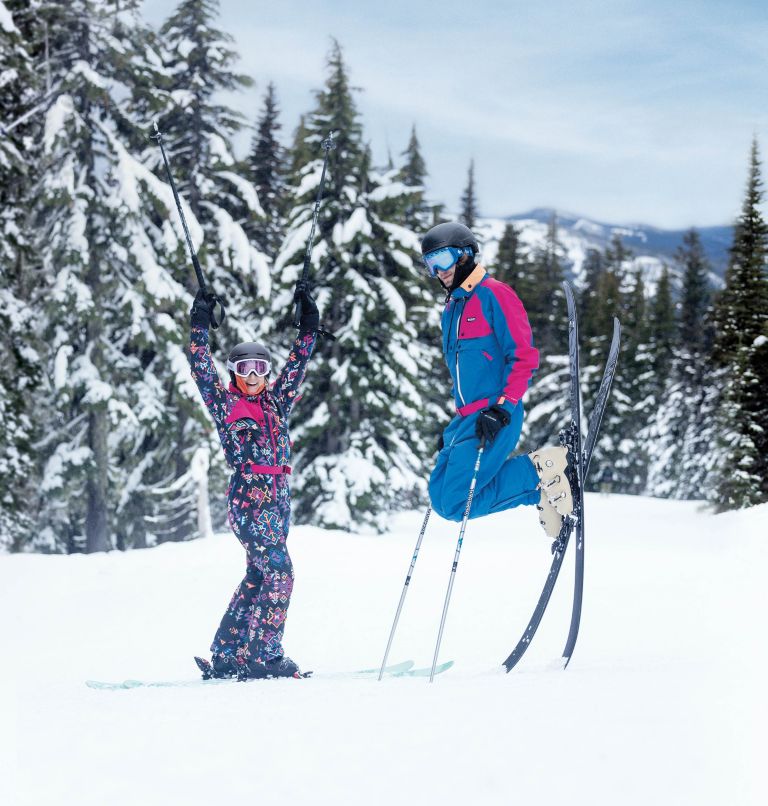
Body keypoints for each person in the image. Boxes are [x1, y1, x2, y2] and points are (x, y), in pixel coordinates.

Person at [188, 282, 319, 680]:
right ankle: (265, 653)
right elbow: (200, 367)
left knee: (260, 574)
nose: (252, 376)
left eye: (260, 368)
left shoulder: (277, 402)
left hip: (279, 501)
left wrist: (309, 327)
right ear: (234, 372)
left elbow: (297, 366)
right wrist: (199, 325)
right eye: (244, 369)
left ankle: (229, 652)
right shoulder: (226, 403)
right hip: (249, 500)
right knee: (280, 572)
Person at [421, 221, 574, 539]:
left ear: (464, 255)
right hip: (465, 418)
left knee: (454, 503)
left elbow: (523, 357)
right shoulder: (452, 309)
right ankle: (539, 488)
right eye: (431, 264)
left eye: (443, 260)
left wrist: (503, 408)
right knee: (439, 493)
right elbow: (462, 372)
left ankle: (536, 471)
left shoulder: (495, 295)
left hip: (494, 412)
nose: (439, 271)